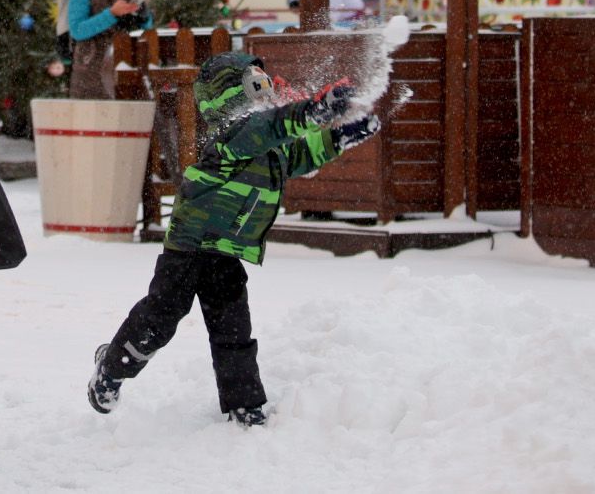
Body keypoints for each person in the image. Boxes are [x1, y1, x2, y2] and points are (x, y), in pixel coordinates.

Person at [86, 52, 383, 426]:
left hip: (227, 250)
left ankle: (244, 404)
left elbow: (299, 154)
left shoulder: (266, 145)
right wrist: (315, 111)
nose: (266, 87)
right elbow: (272, 127)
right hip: (191, 246)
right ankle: (112, 369)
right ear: (233, 94)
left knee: (234, 330)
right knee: (160, 318)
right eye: (255, 81)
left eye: (265, 79)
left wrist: (340, 135)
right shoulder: (236, 137)